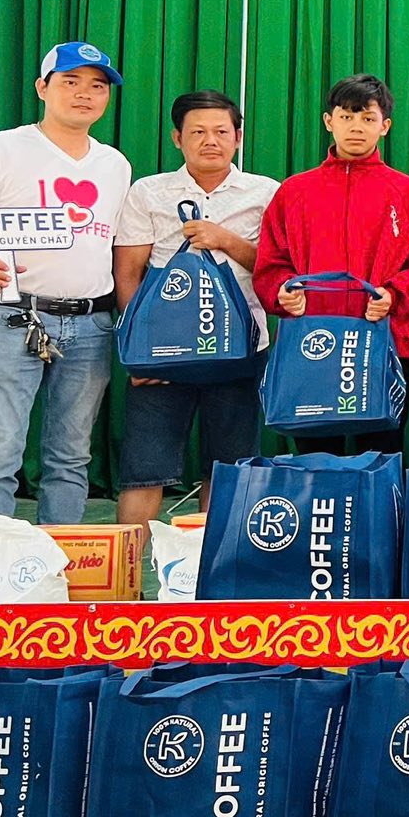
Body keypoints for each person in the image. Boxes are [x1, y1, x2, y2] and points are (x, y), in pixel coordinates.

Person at [0, 42, 130, 523]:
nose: (84, 94)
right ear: (42, 88)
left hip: (91, 323)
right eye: (70, 82)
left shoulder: (114, 164)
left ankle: (60, 560)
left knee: (71, 457)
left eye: (97, 86)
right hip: (13, 315)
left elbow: (113, 244)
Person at [111, 89, 279, 525]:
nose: (210, 141)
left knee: (229, 468)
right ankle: (128, 569)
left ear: (238, 137)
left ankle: (211, 564)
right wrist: (139, 351)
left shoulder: (266, 193)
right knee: (143, 469)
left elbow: (276, 269)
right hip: (162, 357)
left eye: (221, 131)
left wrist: (226, 240)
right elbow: (128, 272)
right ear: (177, 138)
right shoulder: (148, 192)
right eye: (198, 132)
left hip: (241, 351)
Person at [252, 73, 409, 455]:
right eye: (347, 116)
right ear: (329, 121)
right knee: (316, 458)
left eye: (368, 118)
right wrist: (283, 291)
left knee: (382, 454)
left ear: (385, 126)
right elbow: (271, 263)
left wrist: (394, 295)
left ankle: (381, 498)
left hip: (382, 342)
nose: (356, 127)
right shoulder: (294, 191)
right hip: (312, 343)